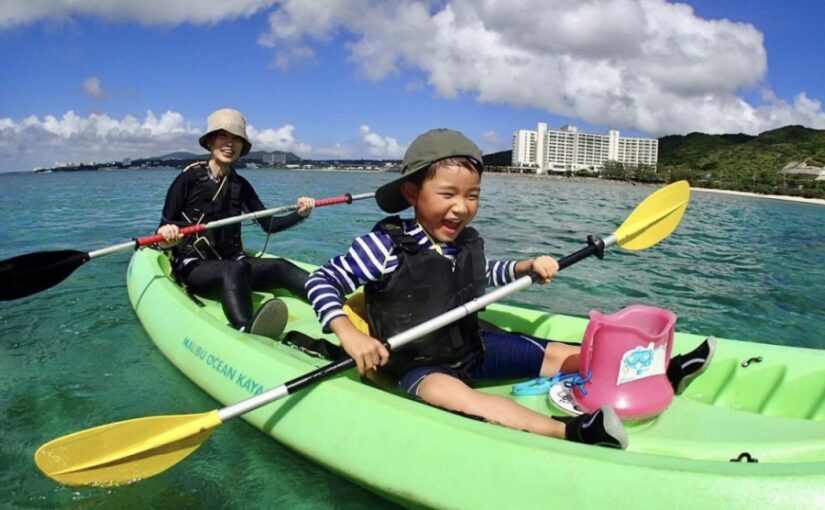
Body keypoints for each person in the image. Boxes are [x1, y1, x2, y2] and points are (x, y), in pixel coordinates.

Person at [306, 128, 715, 449]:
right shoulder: (382, 247)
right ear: (412, 193)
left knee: (562, 354)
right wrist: (349, 333)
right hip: (416, 364)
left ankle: (659, 372)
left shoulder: (463, 242)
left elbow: (482, 274)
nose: (461, 207)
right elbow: (321, 280)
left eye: (472, 196)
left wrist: (525, 267)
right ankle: (573, 430)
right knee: (460, 397)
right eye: (448, 194)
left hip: (472, 345)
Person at [156, 108, 313, 339]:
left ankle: (332, 299)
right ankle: (246, 328)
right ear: (210, 141)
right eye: (223, 136)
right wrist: (167, 236)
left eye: (237, 139)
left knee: (280, 266)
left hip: (234, 262)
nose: (230, 144)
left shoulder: (241, 185)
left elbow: (269, 225)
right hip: (195, 267)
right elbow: (161, 232)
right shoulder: (187, 180)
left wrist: (301, 214)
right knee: (235, 268)